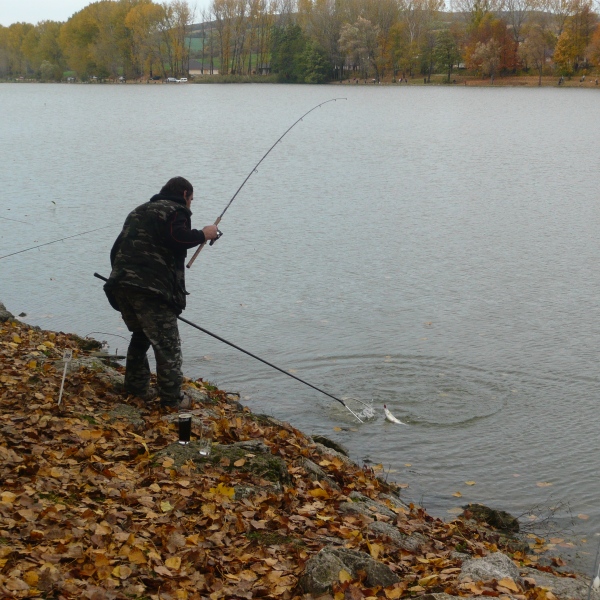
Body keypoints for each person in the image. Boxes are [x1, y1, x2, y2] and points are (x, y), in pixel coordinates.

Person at [103, 176, 218, 409]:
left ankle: (136, 389)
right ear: (184, 194)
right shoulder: (175, 210)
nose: (190, 204)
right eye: (191, 199)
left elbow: (116, 249)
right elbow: (177, 237)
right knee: (168, 346)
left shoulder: (139, 211)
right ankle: (172, 400)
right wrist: (203, 234)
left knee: (141, 336)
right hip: (150, 291)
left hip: (120, 285)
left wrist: (123, 279)